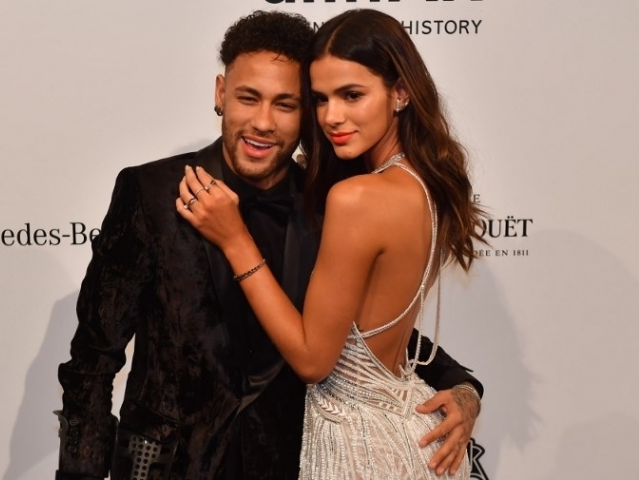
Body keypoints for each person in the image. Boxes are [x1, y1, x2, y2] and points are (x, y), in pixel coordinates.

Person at [56, 10, 481, 480]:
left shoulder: (330, 205)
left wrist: (461, 386)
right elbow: (91, 362)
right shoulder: (151, 192)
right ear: (221, 94)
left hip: (288, 465)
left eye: (286, 104)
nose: (262, 122)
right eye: (248, 98)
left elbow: (355, 329)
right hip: (164, 469)